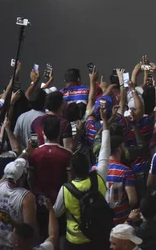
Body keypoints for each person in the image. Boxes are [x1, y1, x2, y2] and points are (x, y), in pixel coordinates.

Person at [53, 105, 111, 250]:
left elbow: (56, 212)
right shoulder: (99, 178)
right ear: (89, 165)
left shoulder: (66, 190)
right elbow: (105, 150)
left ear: (71, 171)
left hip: (75, 242)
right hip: (100, 237)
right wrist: (105, 122)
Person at [27, 117, 72, 238]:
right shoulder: (67, 154)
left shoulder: (34, 154)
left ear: (43, 133)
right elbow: (69, 180)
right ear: (59, 133)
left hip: (40, 200)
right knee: (60, 234)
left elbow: (30, 178)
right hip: (59, 202)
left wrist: (35, 192)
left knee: (42, 233)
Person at [0, 157, 37, 250]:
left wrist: (25, 153)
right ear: (22, 177)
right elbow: (29, 229)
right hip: (14, 244)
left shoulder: (0, 184)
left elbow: (10, 173)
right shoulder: (27, 197)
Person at [102, 135, 137, 225]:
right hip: (121, 220)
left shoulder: (94, 169)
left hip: (102, 220)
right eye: (124, 146)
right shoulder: (126, 171)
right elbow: (133, 200)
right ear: (119, 149)